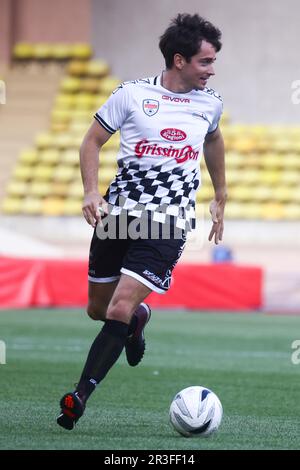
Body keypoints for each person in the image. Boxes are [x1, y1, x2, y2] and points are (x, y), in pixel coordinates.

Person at [57, 12, 227, 430]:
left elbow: (214, 139)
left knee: (118, 304)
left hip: (168, 221)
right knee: (99, 309)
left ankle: (79, 396)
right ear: (179, 59)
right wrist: (91, 191)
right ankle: (138, 321)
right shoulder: (130, 95)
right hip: (118, 216)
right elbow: (92, 141)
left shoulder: (211, 103)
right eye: (205, 61)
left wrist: (221, 194)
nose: (211, 70)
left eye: (213, 62)